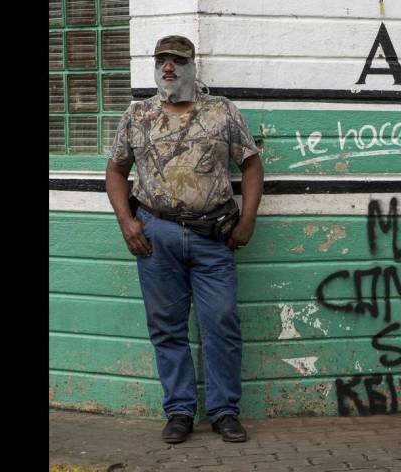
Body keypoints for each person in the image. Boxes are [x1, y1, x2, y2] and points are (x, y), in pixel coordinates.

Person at [105, 35, 264, 444]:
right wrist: (128, 223)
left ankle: (224, 411)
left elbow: (250, 166)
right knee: (166, 328)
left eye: (178, 60)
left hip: (213, 237)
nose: (169, 67)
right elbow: (116, 172)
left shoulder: (221, 112)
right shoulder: (137, 114)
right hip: (155, 236)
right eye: (162, 60)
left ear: (193, 66)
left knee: (221, 322)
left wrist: (247, 221)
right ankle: (178, 411)